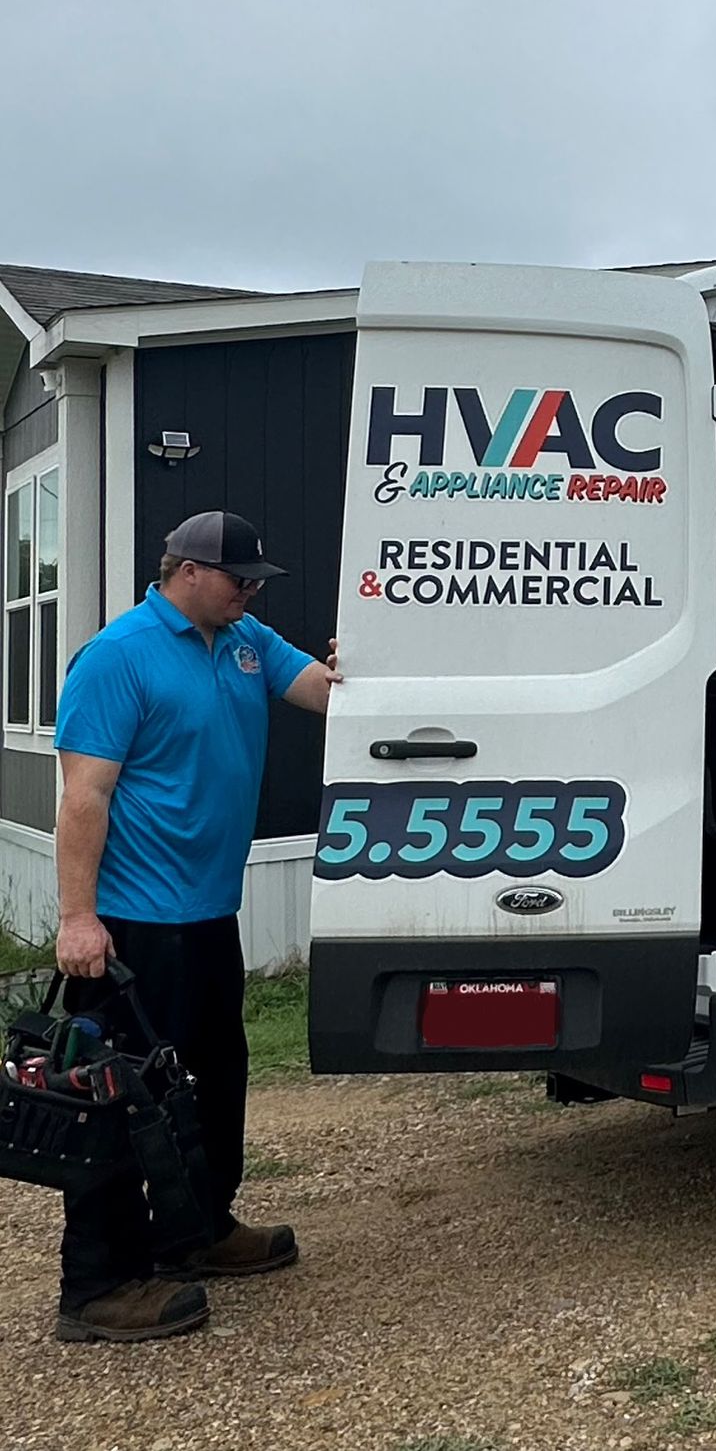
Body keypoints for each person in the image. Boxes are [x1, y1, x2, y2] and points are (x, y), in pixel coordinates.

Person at [49, 509, 341, 1343]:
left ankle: (200, 1231)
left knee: (215, 1076)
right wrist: (78, 917)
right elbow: (83, 798)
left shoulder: (246, 640)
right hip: (134, 926)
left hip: (211, 912)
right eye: (238, 578)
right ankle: (97, 1284)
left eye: (256, 581)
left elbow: (323, 692)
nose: (251, 590)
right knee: (119, 1100)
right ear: (183, 571)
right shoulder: (117, 656)